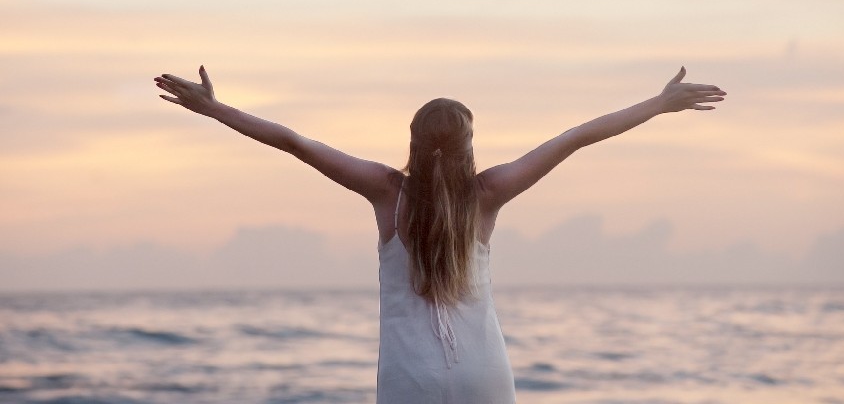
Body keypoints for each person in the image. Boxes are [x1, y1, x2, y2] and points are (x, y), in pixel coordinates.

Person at [154, 65, 726, 403]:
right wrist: (657, 104)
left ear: (412, 137)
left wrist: (214, 109)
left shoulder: (385, 192)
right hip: (484, 374)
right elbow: (575, 137)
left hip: (409, 381)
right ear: (469, 144)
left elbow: (294, 142)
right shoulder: (490, 192)